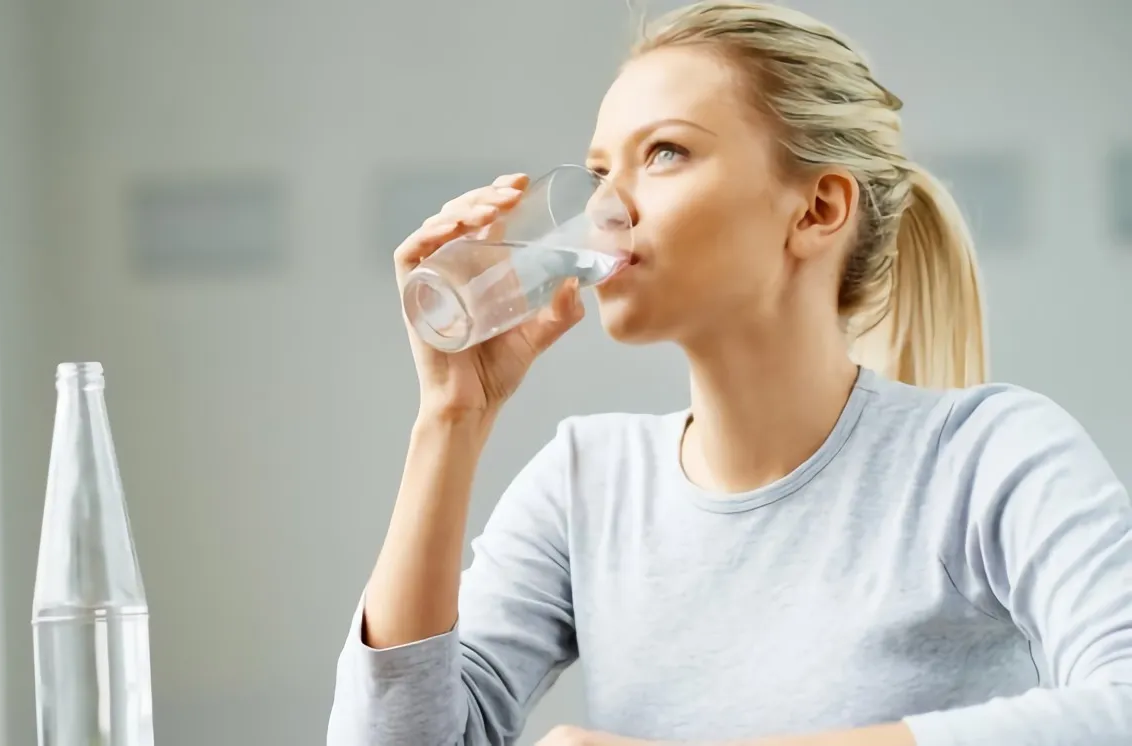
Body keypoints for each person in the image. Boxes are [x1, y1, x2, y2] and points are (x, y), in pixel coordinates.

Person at [327, 2, 1132, 744]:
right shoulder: (585, 483)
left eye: (665, 153)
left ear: (817, 210)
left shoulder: (986, 459)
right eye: (600, 173)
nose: (606, 210)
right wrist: (450, 417)